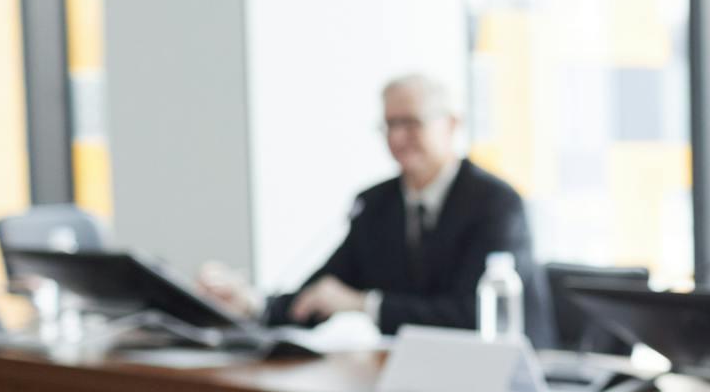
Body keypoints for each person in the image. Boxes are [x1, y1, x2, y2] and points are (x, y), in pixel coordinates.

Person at [200, 74, 551, 341]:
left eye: (411, 123)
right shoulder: (376, 203)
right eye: (390, 125)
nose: (398, 138)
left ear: (452, 125)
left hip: (507, 384)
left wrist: (364, 304)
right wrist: (251, 302)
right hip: (414, 382)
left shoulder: (496, 203)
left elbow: (474, 315)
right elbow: (324, 291)